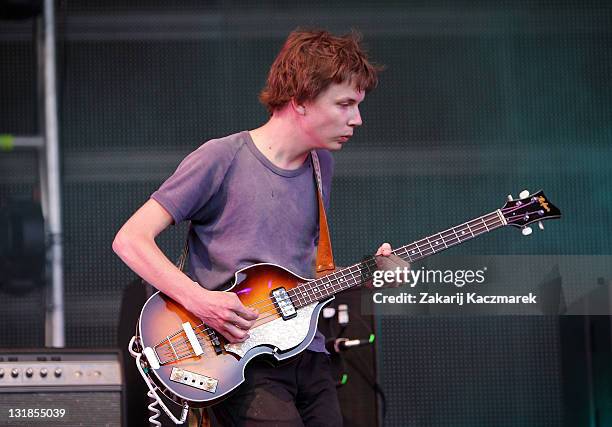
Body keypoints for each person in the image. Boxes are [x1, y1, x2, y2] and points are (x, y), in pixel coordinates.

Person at [113, 28, 407, 426]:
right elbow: (130, 240)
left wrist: (369, 275)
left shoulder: (322, 166)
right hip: (237, 356)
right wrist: (202, 301)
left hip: (308, 350)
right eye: (345, 104)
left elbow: (298, 278)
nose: (357, 119)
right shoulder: (221, 158)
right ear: (301, 100)